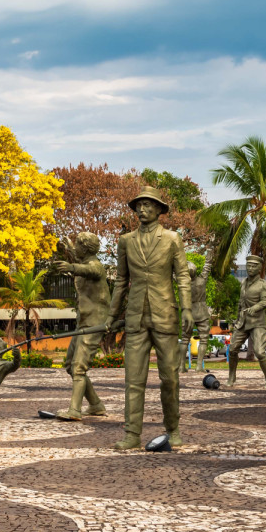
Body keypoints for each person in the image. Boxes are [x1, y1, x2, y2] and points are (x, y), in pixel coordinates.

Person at [107, 186, 193, 450]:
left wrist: (187, 308)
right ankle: (132, 434)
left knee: (170, 377)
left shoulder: (171, 239)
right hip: (136, 317)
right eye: (139, 206)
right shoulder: (126, 241)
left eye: (147, 205)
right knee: (133, 379)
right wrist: (112, 315)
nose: (142, 210)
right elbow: (121, 281)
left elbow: (182, 276)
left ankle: (173, 429)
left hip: (165, 314)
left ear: (159, 210)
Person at [53, 232, 111, 420]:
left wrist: (71, 266)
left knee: (78, 367)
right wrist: (68, 247)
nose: (75, 249)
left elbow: (90, 271)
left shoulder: (95, 266)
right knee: (70, 365)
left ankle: (74, 410)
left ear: (85, 249)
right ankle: (95, 405)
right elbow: (79, 262)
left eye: (78, 245)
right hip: (83, 322)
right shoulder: (85, 261)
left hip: (94, 322)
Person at [227, 255, 266, 389]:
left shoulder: (263, 284)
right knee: (232, 350)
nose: (250, 268)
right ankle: (232, 376)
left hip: (257, 322)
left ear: (259, 268)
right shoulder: (243, 282)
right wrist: (237, 320)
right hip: (242, 322)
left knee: (260, 352)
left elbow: (265, 302)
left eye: (254, 266)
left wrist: (254, 308)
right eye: (248, 265)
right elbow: (240, 303)